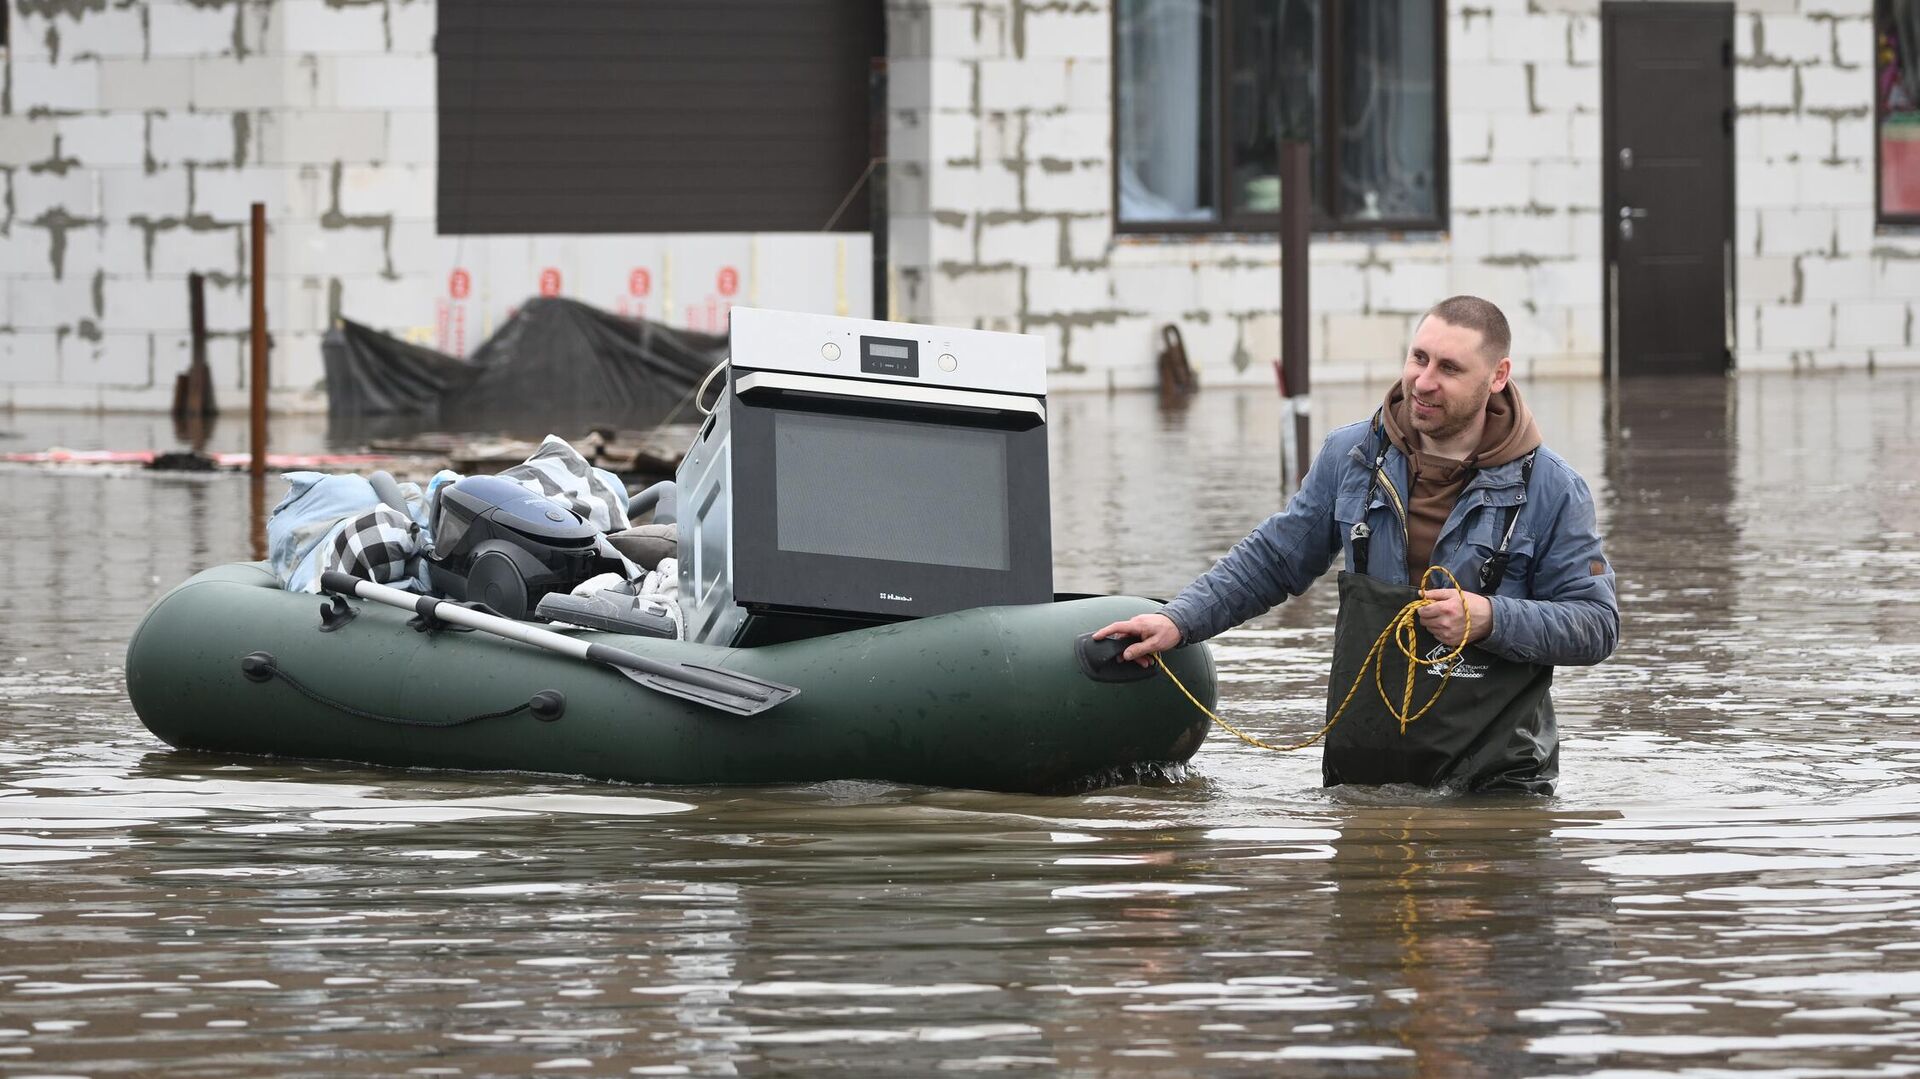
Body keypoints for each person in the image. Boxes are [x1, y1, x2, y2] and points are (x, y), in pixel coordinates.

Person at [1093, 295, 1618, 794]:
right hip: (1365, 772)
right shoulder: (1352, 455)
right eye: (1419, 358)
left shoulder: (1554, 489)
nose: (1424, 382)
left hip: (1498, 783)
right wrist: (1178, 620)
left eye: (1449, 369)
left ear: (1498, 376)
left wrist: (1490, 619)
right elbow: (1273, 559)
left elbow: (1596, 625)